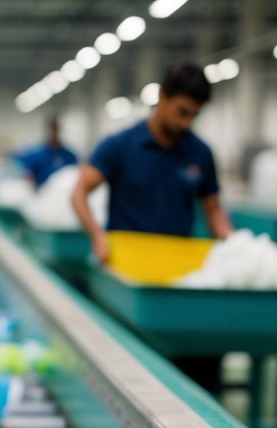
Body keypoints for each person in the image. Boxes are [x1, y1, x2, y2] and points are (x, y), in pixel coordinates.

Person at [71, 62, 233, 392]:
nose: (185, 122)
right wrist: (97, 236)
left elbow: (213, 208)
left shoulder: (199, 153)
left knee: (196, 368)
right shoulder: (121, 146)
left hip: (176, 273)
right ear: (161, 97)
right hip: (128, 272)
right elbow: (79, 193)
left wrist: (232, 244)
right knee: (129, 370)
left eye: (193, 115)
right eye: (181, 111)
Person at [16, 117, 78, 187]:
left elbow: (74, 175)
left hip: (62, 193)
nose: (54, 135)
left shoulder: (69, 155)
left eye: (56, 131)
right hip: (42, 192)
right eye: (52, 131)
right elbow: (27, 174)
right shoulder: (36, 154)